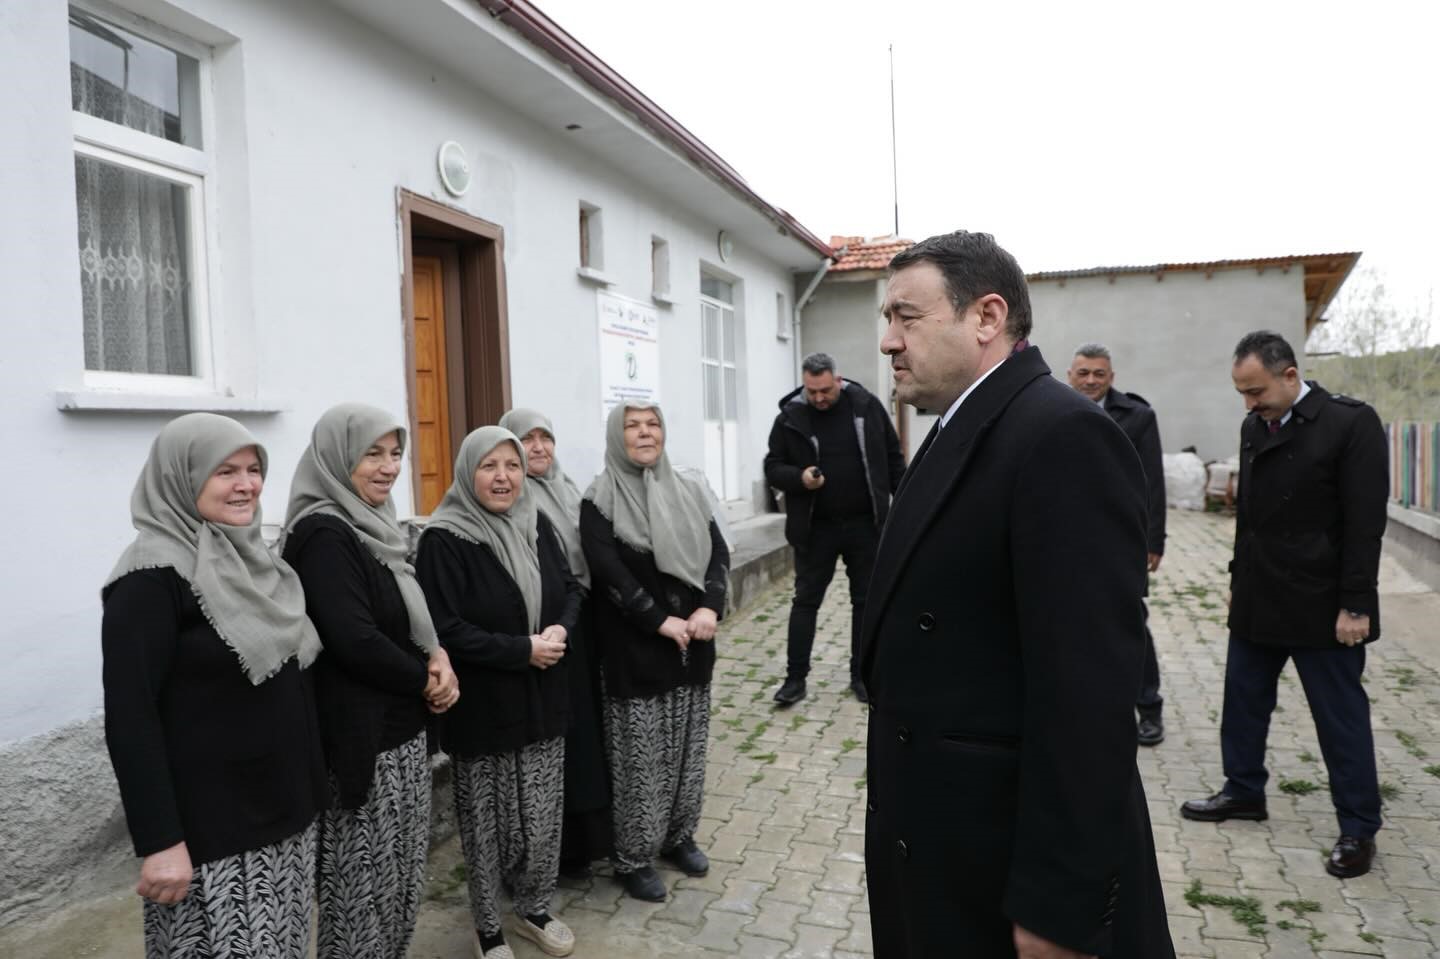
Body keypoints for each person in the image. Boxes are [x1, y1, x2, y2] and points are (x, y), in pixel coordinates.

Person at [862, 232, 1174, 958]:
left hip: (1003, 869)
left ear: (987, 316)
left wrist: (1059, 905)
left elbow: (1088, 697)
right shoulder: (961, 426)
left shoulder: (1060, 436)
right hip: (943, 840)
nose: (888, 341)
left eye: (906, 317)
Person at [101, 413, 328, 959]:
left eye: (254, 469)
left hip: (285, 819)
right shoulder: (150, 578)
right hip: (213, 838)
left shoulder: (252, 562)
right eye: (225, 471)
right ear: (183, 477)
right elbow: (132, 720)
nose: (246, 484)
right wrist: (160, 843)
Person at [1182, 331, 1388, 880]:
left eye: (1256, 392)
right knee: (1243, 703)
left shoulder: (1350, 423)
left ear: (1291, 376)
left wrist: (1357, 606)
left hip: (1324, 605)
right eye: (1242, 394)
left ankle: (1359, 827)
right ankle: (1243, 791)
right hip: (1259, 594)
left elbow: (1365, 525)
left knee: (1339, 718)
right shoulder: (1255, 426)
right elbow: (1248, 513)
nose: (1249, 405)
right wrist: (1235, 577)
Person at [280, 403, 460, 959]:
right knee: (361, 891)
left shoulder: (377, 526)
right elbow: (352, 638)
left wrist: (440, 656)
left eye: (396, 453)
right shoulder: (323, 534)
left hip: (400, 733)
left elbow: (405, 617)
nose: (388, 467)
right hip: (361, 744)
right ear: (337, 458)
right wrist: (425, 678)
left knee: (400, 882)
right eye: (372, 454)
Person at [417, 427, 582, 959]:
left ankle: (534, 906)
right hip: (486, 707)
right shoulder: (445, 539)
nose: (504, 477)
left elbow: (572, 589)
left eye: (511, 465)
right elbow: (444, 626)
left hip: (543, 695)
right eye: (489, 466)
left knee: (540, 817)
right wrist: (520, 650)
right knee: (486, 825)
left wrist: (560, 630)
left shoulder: (537, 524)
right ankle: (488, 927)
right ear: (468, 472)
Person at [580, 402, 729, 903]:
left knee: (688, 751)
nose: (645, 434)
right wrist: (657, 619)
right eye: (633, 426)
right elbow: (608, 571)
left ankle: (679, 836)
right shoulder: (600, 499)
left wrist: (709, 608)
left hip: (692, 646)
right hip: (634, 652)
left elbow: (718, 554)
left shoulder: (686, 490)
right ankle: (634, 857)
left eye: (654, 424)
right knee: (640, 760)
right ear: (615, 436)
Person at [499, 407, 612, 878]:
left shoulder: (568, 491)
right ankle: (547, 852)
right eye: (527, 439)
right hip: (542, 629)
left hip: (579, 622)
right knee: (552, 738)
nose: (540, 447)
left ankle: (584, 844)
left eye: (546, 437)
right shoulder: (513, 499)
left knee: (585, 734)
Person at [764, 352, 904, 705]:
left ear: (837, 380)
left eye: (825, 390)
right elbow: (772, 466)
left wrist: (904, 504)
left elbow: (892, 456)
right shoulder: (790, 417)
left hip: (865, 525)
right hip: (815, 529)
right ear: (804, 385)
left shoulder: (866, 406)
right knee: (805, 602)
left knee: (865, 602)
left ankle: (861, 676)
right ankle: (795, 680)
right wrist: (799, 478)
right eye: (812, 392)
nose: (819, 398)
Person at [1066, 343, 1168, 745]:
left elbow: (1152, 484)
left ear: (1112, 376)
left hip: (1119, 541)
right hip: (1066, 541)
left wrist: (1153, 541)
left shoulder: (1138, 417)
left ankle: (1149, 709)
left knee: (1128, 625)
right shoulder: (1050, 408)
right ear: (1070, 374)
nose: (1091, 380)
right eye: (1083, 373)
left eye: (1099, 374)